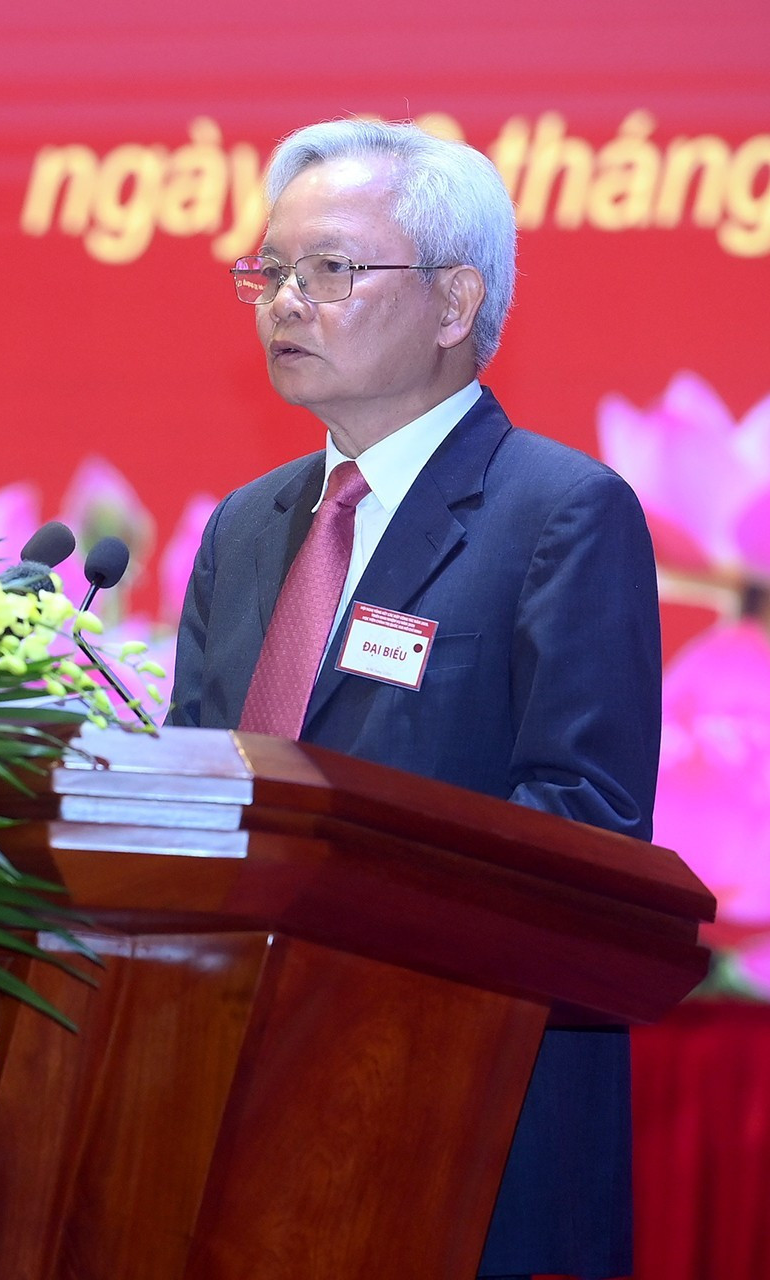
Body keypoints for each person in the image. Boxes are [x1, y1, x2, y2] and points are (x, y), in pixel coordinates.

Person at [168, 118, 661, 1280]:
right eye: (269, 272)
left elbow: (580, 834)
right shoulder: (244, 527)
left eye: (330, 269)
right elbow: (191, 795)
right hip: (228, 1106)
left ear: (454, 303)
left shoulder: (562, 514)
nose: (285, 301)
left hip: (458, 1120)